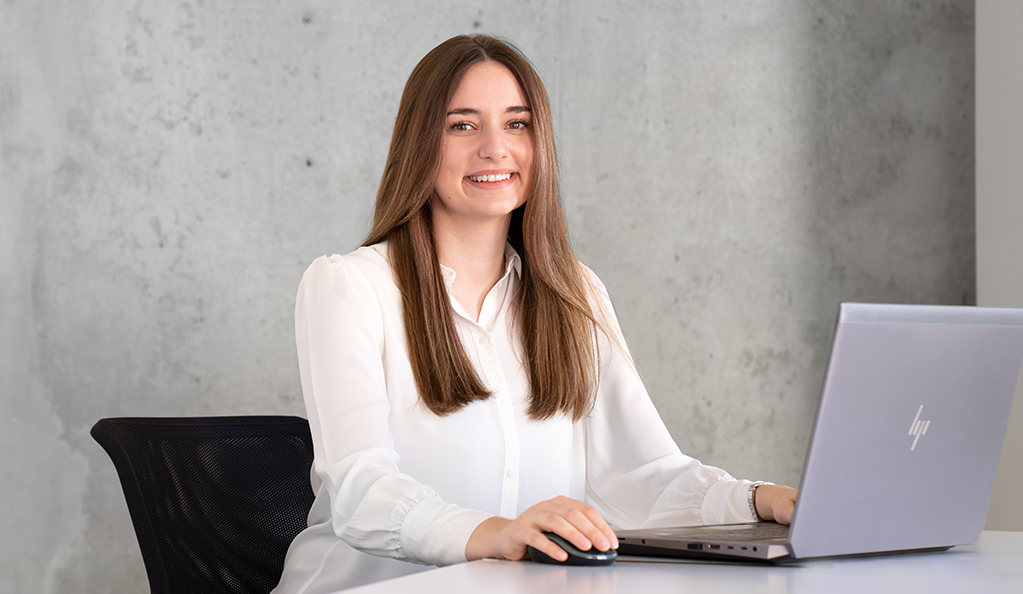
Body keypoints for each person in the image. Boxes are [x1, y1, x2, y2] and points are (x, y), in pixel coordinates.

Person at [273, 34, 798, 594]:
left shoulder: (574, 295)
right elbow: (362, 489)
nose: (495, 149)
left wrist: (758, 499)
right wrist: (495, 534)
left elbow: (642, 474)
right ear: (419, 144)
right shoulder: (349, 287)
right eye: (463, 125)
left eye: (517, 124)